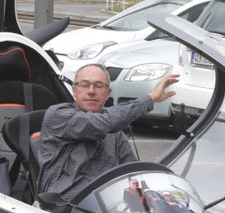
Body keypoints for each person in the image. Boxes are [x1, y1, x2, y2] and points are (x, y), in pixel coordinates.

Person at [36, 63, 179, 203]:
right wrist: (151, 98)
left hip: (108, 204)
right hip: (62, 206)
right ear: (74, 90)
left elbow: (131, 171)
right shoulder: (58, 115)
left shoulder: (114, 128)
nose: (91, 91)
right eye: (84, 85)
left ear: (108, 94)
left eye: (99, 86)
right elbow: (102, 123)